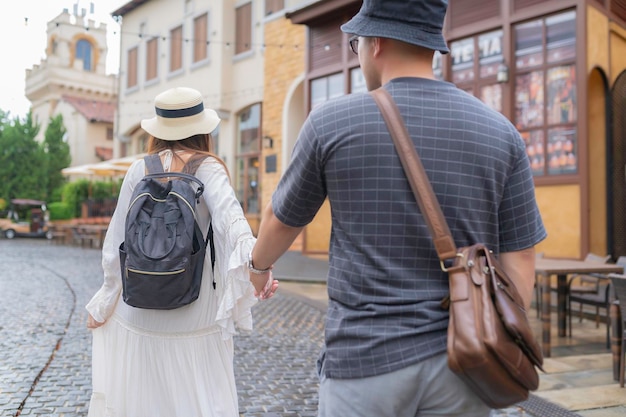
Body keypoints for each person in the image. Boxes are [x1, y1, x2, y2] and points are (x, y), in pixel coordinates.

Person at [249, 1, 546, 416]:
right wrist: (498, 330)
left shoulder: (331, 122)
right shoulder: (501, 132)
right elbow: (521, 256)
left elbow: (282, 220)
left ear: (376, 43)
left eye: (356, 43)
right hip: (466, 363)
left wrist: (258, 267)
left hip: (364, 361)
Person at [85, 87, 277, 417]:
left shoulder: (138, 170)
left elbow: (116, 243)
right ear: (204, 130)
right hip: (194, 309)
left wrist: (104, 300)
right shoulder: (209, 168)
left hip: (140, 306)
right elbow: (233, 223)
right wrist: (256, 268)